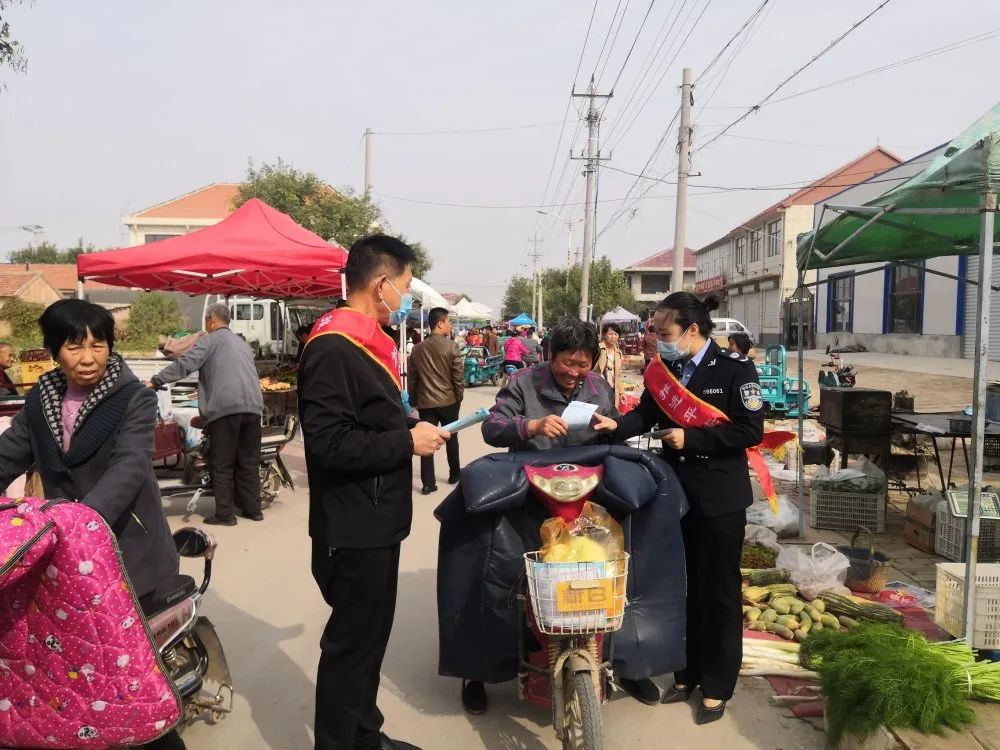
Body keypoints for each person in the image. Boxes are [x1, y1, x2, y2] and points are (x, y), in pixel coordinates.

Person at [0, 299, 184, 750]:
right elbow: (8, 455)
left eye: (98, 346)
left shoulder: (134, 397)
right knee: (71, 670)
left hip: (128, 548)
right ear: (52, 351)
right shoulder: (39, 401)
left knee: (132, 677)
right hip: (65, 558)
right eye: (74, 347)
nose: (88, 358)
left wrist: (81, 523)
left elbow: (130, 466)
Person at [299, 234, 450, 750]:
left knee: (369, 642)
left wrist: (408, 425)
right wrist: (406, 442)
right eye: (405, 286)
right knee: (350, 648)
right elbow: (329, 444)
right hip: (353, 524)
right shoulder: (333, 346)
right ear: (382, 283)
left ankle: (364, 736)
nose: (406, 298)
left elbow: (367, 419)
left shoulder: (365, 342)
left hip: (376, 518)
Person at [609, 292, 764, 724]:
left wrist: (691, 439)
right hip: (675, 496)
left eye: (665, 331)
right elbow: (644, 414)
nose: (659, 338)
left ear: (691, 329)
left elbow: (750, 431)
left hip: (719, 499)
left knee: (718, 593)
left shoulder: (735, 368)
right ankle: (687, 672)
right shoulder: (667, 371)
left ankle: (717, 684)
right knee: (683, 588)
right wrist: (612, 426)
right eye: (657, 331)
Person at [150, 303, 265, 526]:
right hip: (252, 407)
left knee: (222, 463)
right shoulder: (242, 344)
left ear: (211, 320)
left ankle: (225, 515)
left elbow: (186, 364)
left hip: (225, 409)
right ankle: (253, 510)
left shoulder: (209, 341)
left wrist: (156, 380)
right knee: (249, 461)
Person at [483, 318, 619, 452]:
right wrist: (532, 426)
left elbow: (615, 434)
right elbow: (491, 427)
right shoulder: (522, 382)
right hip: (532, 465)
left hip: (587, 465)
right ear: (550, 354)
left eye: (583, 365)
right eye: (568, 363)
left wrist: (614, 430)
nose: (574, 373)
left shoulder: (601, 387)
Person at [409, 307, 464, 494]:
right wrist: (458, 397)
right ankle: (455, 474)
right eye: (449, 321)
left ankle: (428, 483)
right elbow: (458, 377)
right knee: (452, 439)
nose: (450, 325)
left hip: (426, 403)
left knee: (427, 441)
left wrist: (414, 401)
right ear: (440, 323)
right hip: (449, 402)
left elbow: (413, 379)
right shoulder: (452, 346)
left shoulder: (417, 349)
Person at [596, 323, 626, 408]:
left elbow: (619, 374)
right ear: (604, 335)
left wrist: (621, 392)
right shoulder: (598, 349)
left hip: (613, 389)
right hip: (599, 388)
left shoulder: (618, 352)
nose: (613, 337)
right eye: (610, 334)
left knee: (612, 411)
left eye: (615, 334)